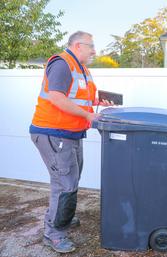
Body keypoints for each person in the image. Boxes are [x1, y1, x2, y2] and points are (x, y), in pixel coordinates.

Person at [29, 31, 111, 253]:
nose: (94, 51)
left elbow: (79, 96)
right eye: (91, 46)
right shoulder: (62, 64)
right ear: (77, 45)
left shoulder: (81, 68)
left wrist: (96, 101)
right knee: (64, 184)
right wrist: (87, 116)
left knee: (70, 179)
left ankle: (61, 216)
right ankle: (54, 233)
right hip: (53, 133)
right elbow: (57, 97)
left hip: (70, 134)